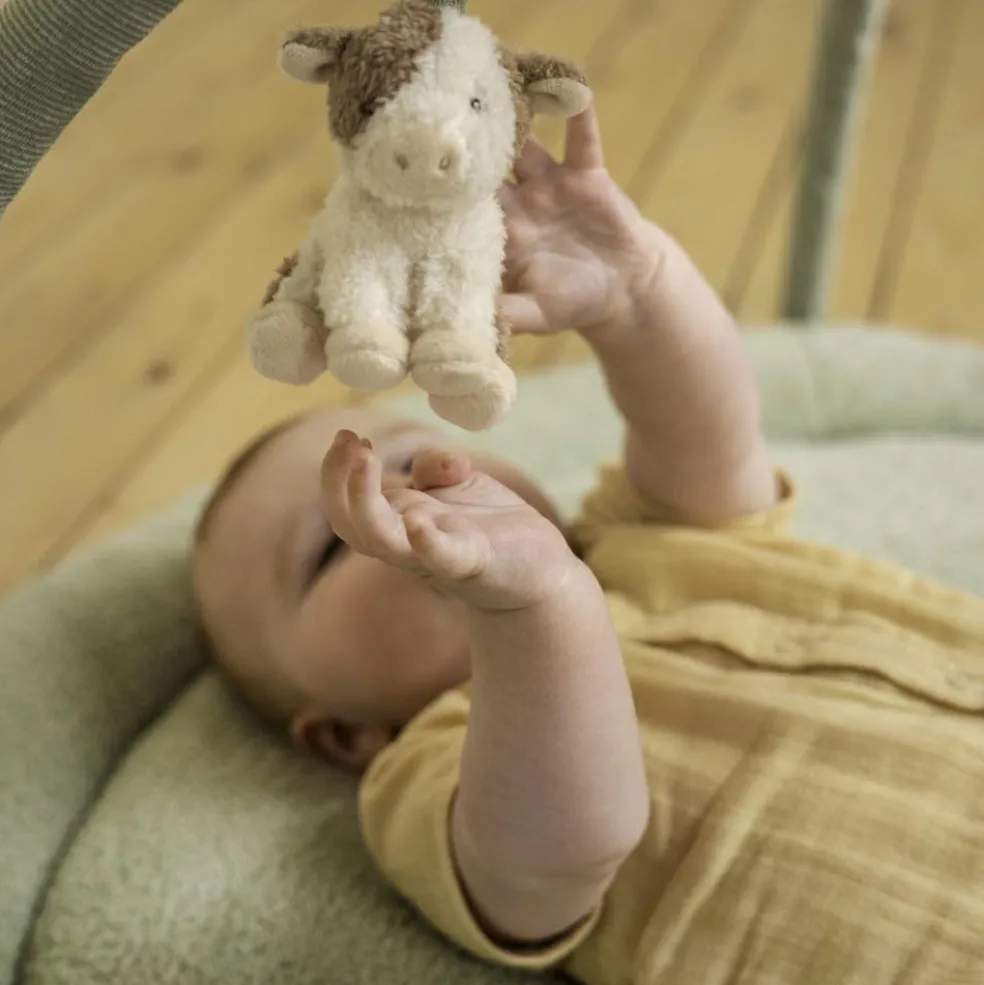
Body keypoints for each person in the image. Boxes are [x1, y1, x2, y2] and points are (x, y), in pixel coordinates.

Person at [192, 106, 984, 982]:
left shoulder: (651, 539)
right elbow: (559, 858)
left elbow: (710, 433)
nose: (401, 494)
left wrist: (639, 292)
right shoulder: (433, 772)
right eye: (332, 544)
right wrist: (536, 605)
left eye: (411, 454)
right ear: (344, 735)